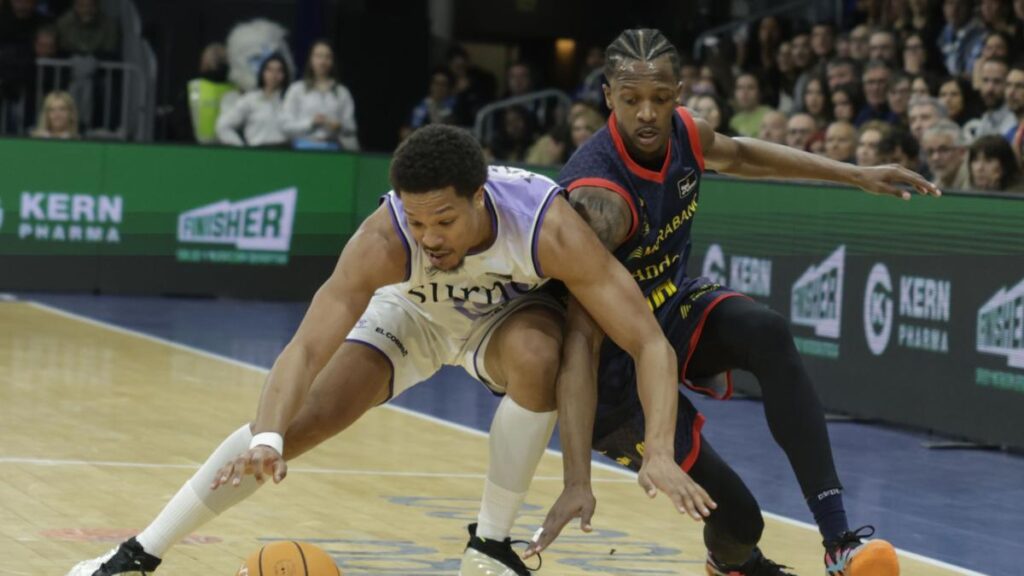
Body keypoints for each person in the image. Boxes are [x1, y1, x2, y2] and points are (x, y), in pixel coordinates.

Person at [65, 125, 714, 576]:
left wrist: (658, 447)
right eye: (418, 220)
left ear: (480, 197)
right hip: (413, 311)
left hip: (505, 319)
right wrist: (266, 435)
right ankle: (137, 555)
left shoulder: (547, 225)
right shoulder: (387, 237)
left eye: (445, 220)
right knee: (299, 425)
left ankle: (489, 546)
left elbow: (648, 342)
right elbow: (305, 346)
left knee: (542, 358)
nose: (429, 235)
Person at [525, 28, 938, 576]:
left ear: (678, 92)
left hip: (667, 309)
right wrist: (577, 478)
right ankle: (737, 567)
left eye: (661, 98)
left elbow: (743, 154)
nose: (648, 114)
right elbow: (578, 340)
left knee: (765, 330)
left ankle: (840, 542)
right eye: (631, 101)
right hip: (612, 373)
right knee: (740, 521)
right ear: (607, 97)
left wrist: (853, 175)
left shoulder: (685, 133)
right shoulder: (599, 202)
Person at [283, 40, 359, 151]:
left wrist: (339, 126)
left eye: (328, 57)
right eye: (318, 56)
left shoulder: (342, 92)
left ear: (333, 61)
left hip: (334, 149)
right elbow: (285, 126)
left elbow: (351, 127)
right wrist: (311, 123)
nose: (323, 61)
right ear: (311, 60)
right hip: (301, 149)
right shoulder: (296, 89)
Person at [215, 53, 289, 147]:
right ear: (262, 72)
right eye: (269, 70)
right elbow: (223, 125)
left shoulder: (290, 99)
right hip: (257, 152)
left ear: (285, 74)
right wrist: (241, 148)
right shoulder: (250, 100)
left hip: (286, 153)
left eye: (279, 71)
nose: (274, 75)